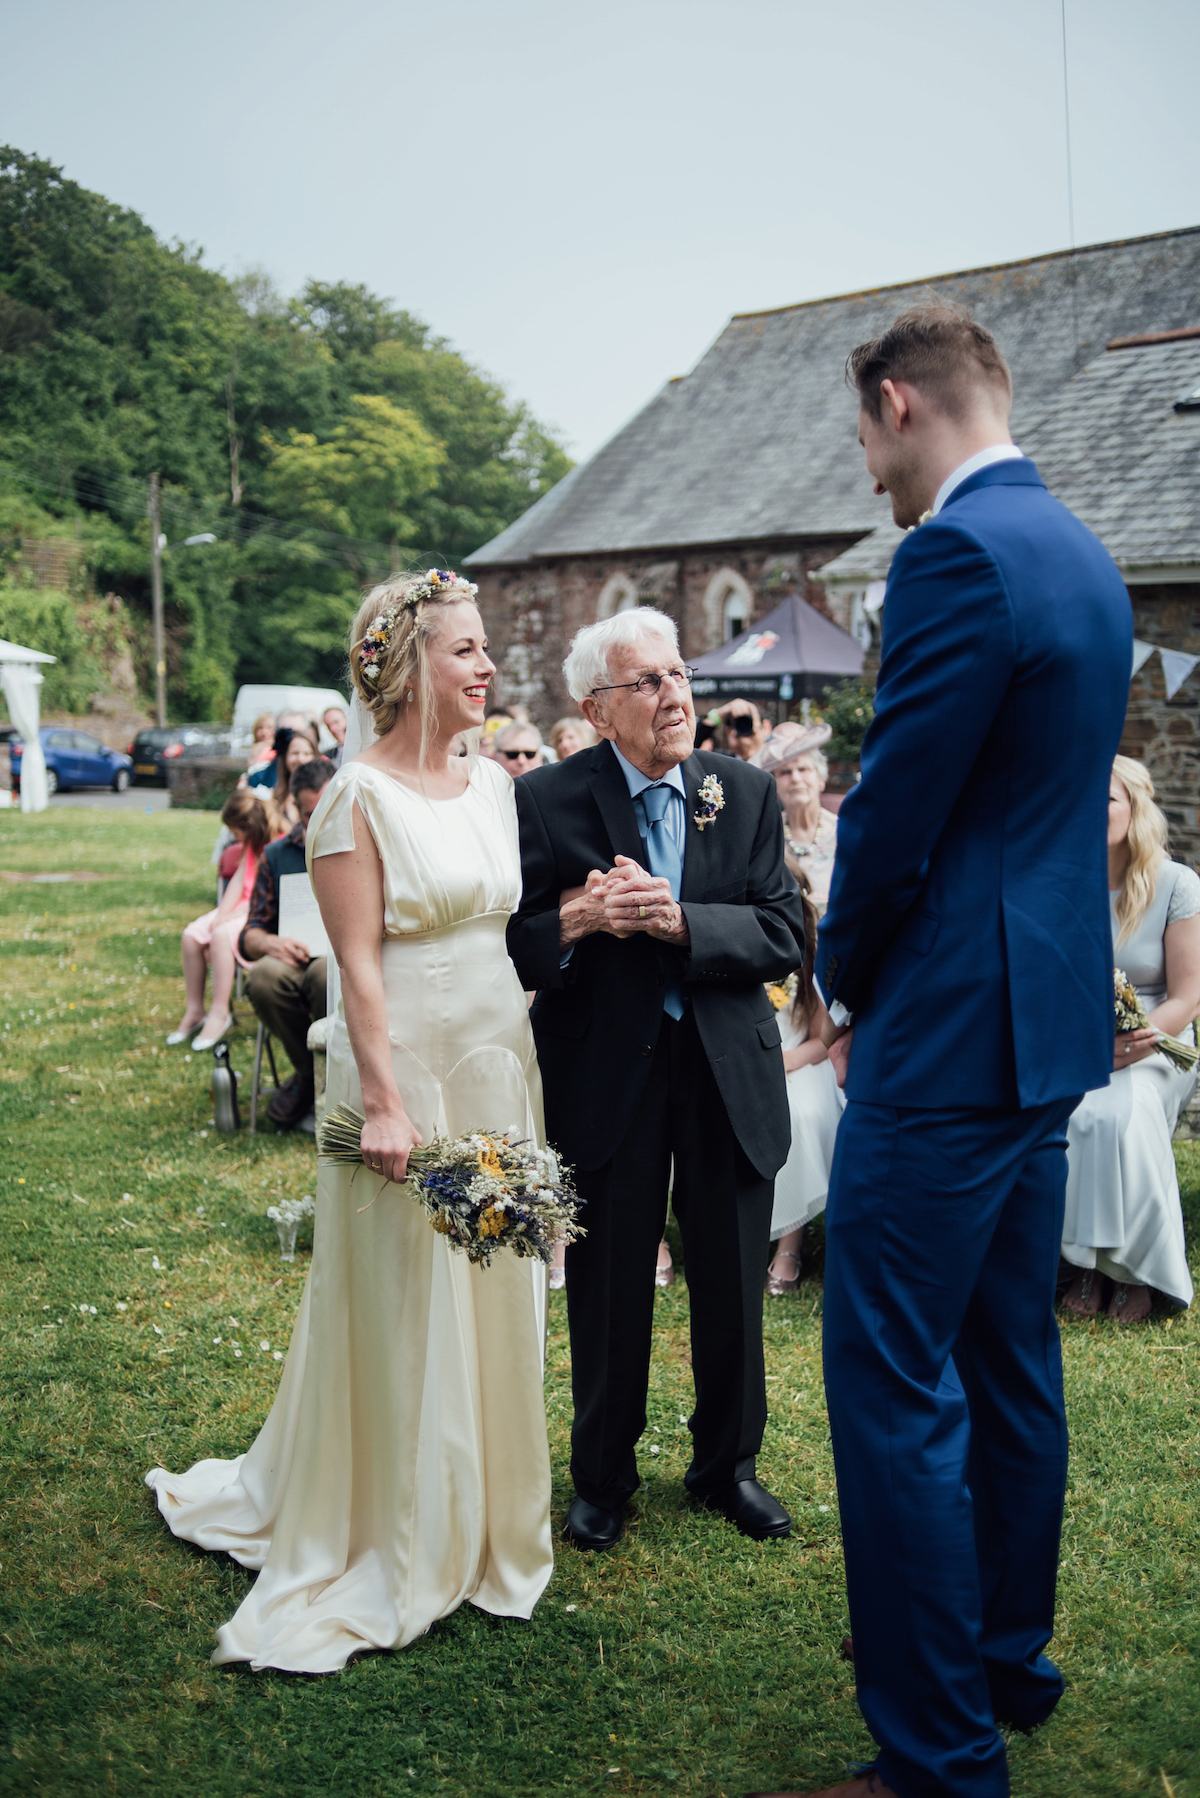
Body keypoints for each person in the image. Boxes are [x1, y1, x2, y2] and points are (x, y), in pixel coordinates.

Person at [767, 306, 1131, 1798]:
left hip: (948, 1030)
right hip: (1042, 1017)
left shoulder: (956, 557)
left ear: (901, 403)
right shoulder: (1085, 553)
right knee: (1009, 1353)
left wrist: (838, 980)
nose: (869, 473)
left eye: (865, 436)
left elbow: (900, 815)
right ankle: (1003, 1660)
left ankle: (934, 1755)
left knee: (893, 1372)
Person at [146, 568, 553, 1671]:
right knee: (404, 1292)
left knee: (494, 1274)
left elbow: (507, 935)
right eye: (466, 650)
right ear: (410, 667)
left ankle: (490, 1520)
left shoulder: (496, 790)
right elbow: (355, 967)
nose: (486, 668)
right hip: (398, 1070)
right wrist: (381, 1098)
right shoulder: (351, 801)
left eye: (484, 649)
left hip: (493, 1064)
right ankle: (392, 1519)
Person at [508, 608, 808, 1551]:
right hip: (607, 1068)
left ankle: (729, 1467)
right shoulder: (546, 799)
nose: (676, 695)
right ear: (598, 710)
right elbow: (512, 940)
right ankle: (602, 1478)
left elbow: (784, 933)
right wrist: (583, 919)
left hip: (726, 1066)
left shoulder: (744, 791)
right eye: (649, 682)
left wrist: (681, 925)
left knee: (729, 1277)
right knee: (606, 1283)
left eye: (679, 675)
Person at [1060, 757, 1200, 1322]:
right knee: (1074, 1114)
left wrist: (1136, 1042)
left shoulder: (1175, 883)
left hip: (1160, 1034)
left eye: (1108, 800)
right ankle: (1085, 1265)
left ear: (1135, 807)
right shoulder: (1063, 879)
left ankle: (1139, 1272)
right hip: (1074, 1034)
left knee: (1124, 1114)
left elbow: (1188, 993)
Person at [239, 757, 335, 1131]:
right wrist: (271, 943)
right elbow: (249, 935)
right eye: (311, 814)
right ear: (296, 808)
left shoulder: (362, 845)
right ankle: (310, 1073)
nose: (320, 821)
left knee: (327, 974)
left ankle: (319, 1079)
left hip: (341, 960)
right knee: (262, 977)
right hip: (292, 958)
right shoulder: (277, 855)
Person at [764, 872, 845, 1295]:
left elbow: (821, 1039)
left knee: (796, 1113)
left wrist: (786, 1061)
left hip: (801, 1059)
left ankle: (790, 1245)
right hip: (745, 1062)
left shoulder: (810, 955)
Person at [167, 788, 275, 1051]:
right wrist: (222, 913)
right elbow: (239, 880)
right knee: (192, 935)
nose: (234, 838)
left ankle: (220, 1013)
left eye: (235, 832)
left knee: (222, 934)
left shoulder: (277, 843)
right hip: (239, 906)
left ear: (248, 825)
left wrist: (234, 917)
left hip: (261, 910)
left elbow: (268, 893)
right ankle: (194, 1010)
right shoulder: (250, 845)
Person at [759, 722, 839, 909]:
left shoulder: (844, 832)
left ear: (821, 779)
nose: (795, 778)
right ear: (776, 784)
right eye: (785, 772)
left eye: (803, 769)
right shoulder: (766, 835)